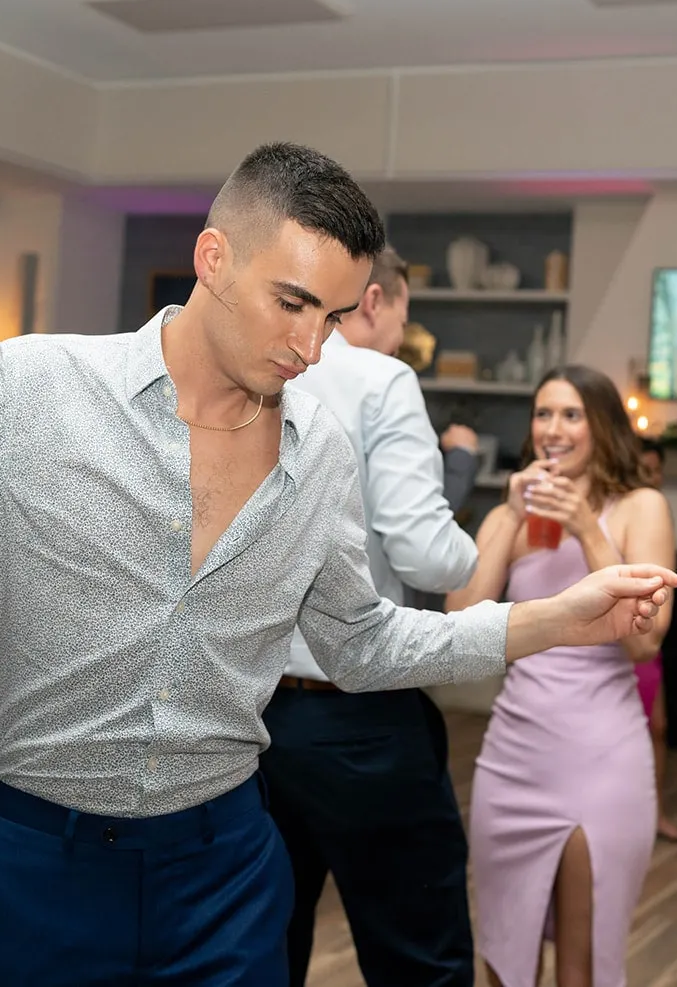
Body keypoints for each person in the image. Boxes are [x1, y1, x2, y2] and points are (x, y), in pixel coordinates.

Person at [0, 141, 677, 987]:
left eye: (335, 317)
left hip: (226, 873)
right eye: (293, 303)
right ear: (212, 259)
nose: (312, 348)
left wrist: (560, 619)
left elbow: (359, 644)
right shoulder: (34, 386)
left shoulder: (321, 451)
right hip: (38, 865)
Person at [265, 245, 479, 986]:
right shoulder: (382, 379)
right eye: (405, 316)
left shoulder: (258, 368)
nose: (403, 336)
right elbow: (425, 555)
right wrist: (477, 547)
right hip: (360, 712)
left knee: (266, 941)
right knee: (419, 951)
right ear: (376, 300)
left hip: (253, 712)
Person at [446, 365, 677, 987]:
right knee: (503, 955)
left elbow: (646, 642)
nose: (553, 429)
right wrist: (507, 517)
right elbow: (458, 629)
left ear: (602, 425)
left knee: (583, 966)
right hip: (513, 755)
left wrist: (585, 528)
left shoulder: (641, 507)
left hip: (601, 759)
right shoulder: (513, 516)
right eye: (543, 414)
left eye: (571, 415)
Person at [627, 434, 677, 844]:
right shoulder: (622, 514)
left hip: (650, 636)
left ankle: (655, 813)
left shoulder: (657, 514)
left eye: (656, 470)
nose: (651, 478)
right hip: (618, 639)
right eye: (643, 470)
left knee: (658, 727)